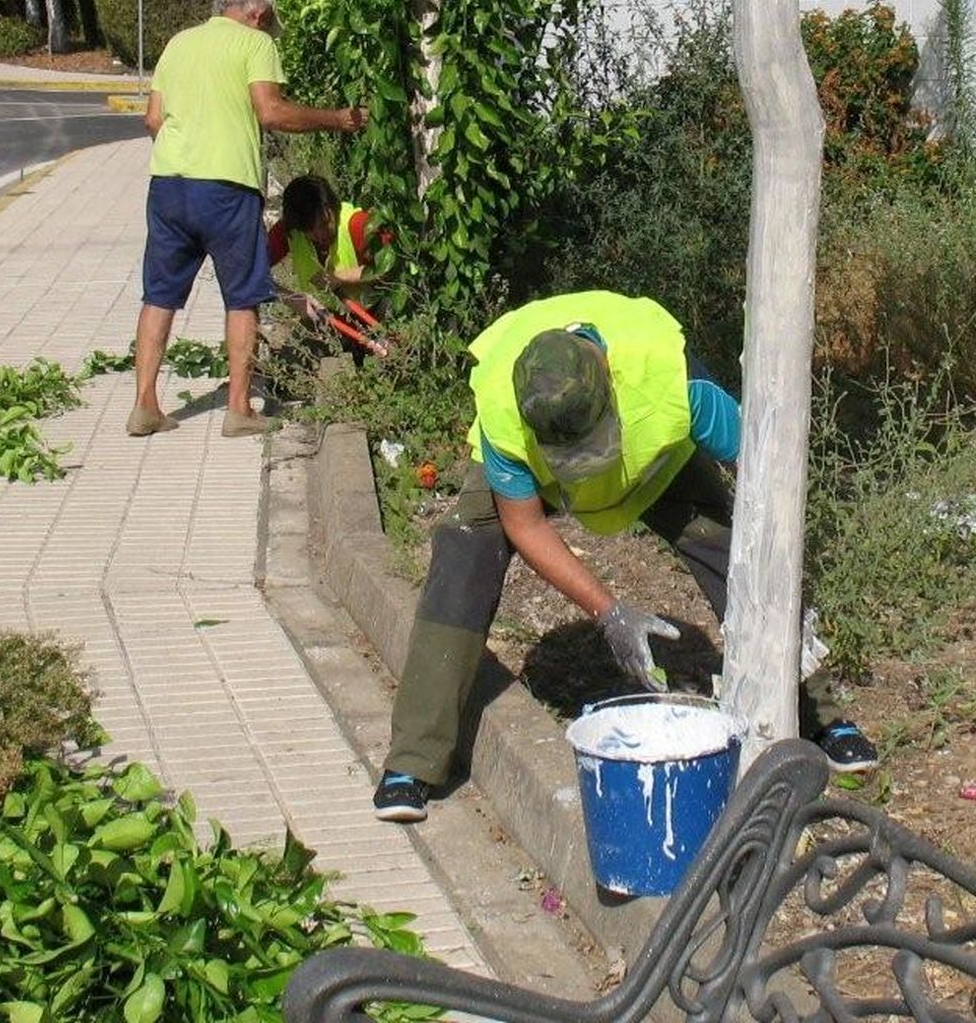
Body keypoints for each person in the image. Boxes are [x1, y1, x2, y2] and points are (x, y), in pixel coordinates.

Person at [371, 290, 878, 823]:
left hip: (655, 465)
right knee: (463, 551)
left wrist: (787, 573)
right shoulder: (504, 405)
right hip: (544, 481)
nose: (585, 463)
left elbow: (765, 474)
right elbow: (526, 524)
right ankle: (413, 761)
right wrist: (609, 612)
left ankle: (818, 711)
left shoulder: (674, 382)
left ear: (609, 381)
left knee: (735, 544)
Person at [129, 0, 367, 438]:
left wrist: (187, 152)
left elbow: (153, 120)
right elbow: (271, 112)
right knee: (242, 298)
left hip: (168, 185)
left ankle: (145, 406)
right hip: (226, 189)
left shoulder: (178, 43)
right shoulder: (254, 43)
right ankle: (239, 409)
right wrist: (337, 120)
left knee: (158, 295)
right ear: (258, 15)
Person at [266, 174, 385, 321]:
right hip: (326, 322)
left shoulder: (358, 224)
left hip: (378, 316)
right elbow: (248, 271)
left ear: (333, 207)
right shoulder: (289, 230)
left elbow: (392, 267)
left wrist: (338, 278)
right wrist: (291, 298)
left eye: (324, 223)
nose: (320, 234)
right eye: (310, 230)